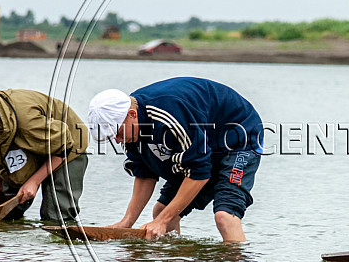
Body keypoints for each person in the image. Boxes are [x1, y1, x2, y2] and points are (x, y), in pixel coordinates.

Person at [87, 77, 263, 242]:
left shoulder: (168, 116)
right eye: (112, 137)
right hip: (203, 142)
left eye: (117, 134)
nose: (118, 141)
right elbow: (145, 173)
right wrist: (127, 221)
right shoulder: (130, 129)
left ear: (132, 114)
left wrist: (162, 222)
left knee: (224, 217)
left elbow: (199, 173)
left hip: (240, 137)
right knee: (161, 211)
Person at [0, 86, 89, 222]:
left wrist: (34, 181)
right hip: (25, 143)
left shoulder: (28, 121)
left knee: (55, 215)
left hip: (66, 144)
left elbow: (64, 146)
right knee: (5, 212)